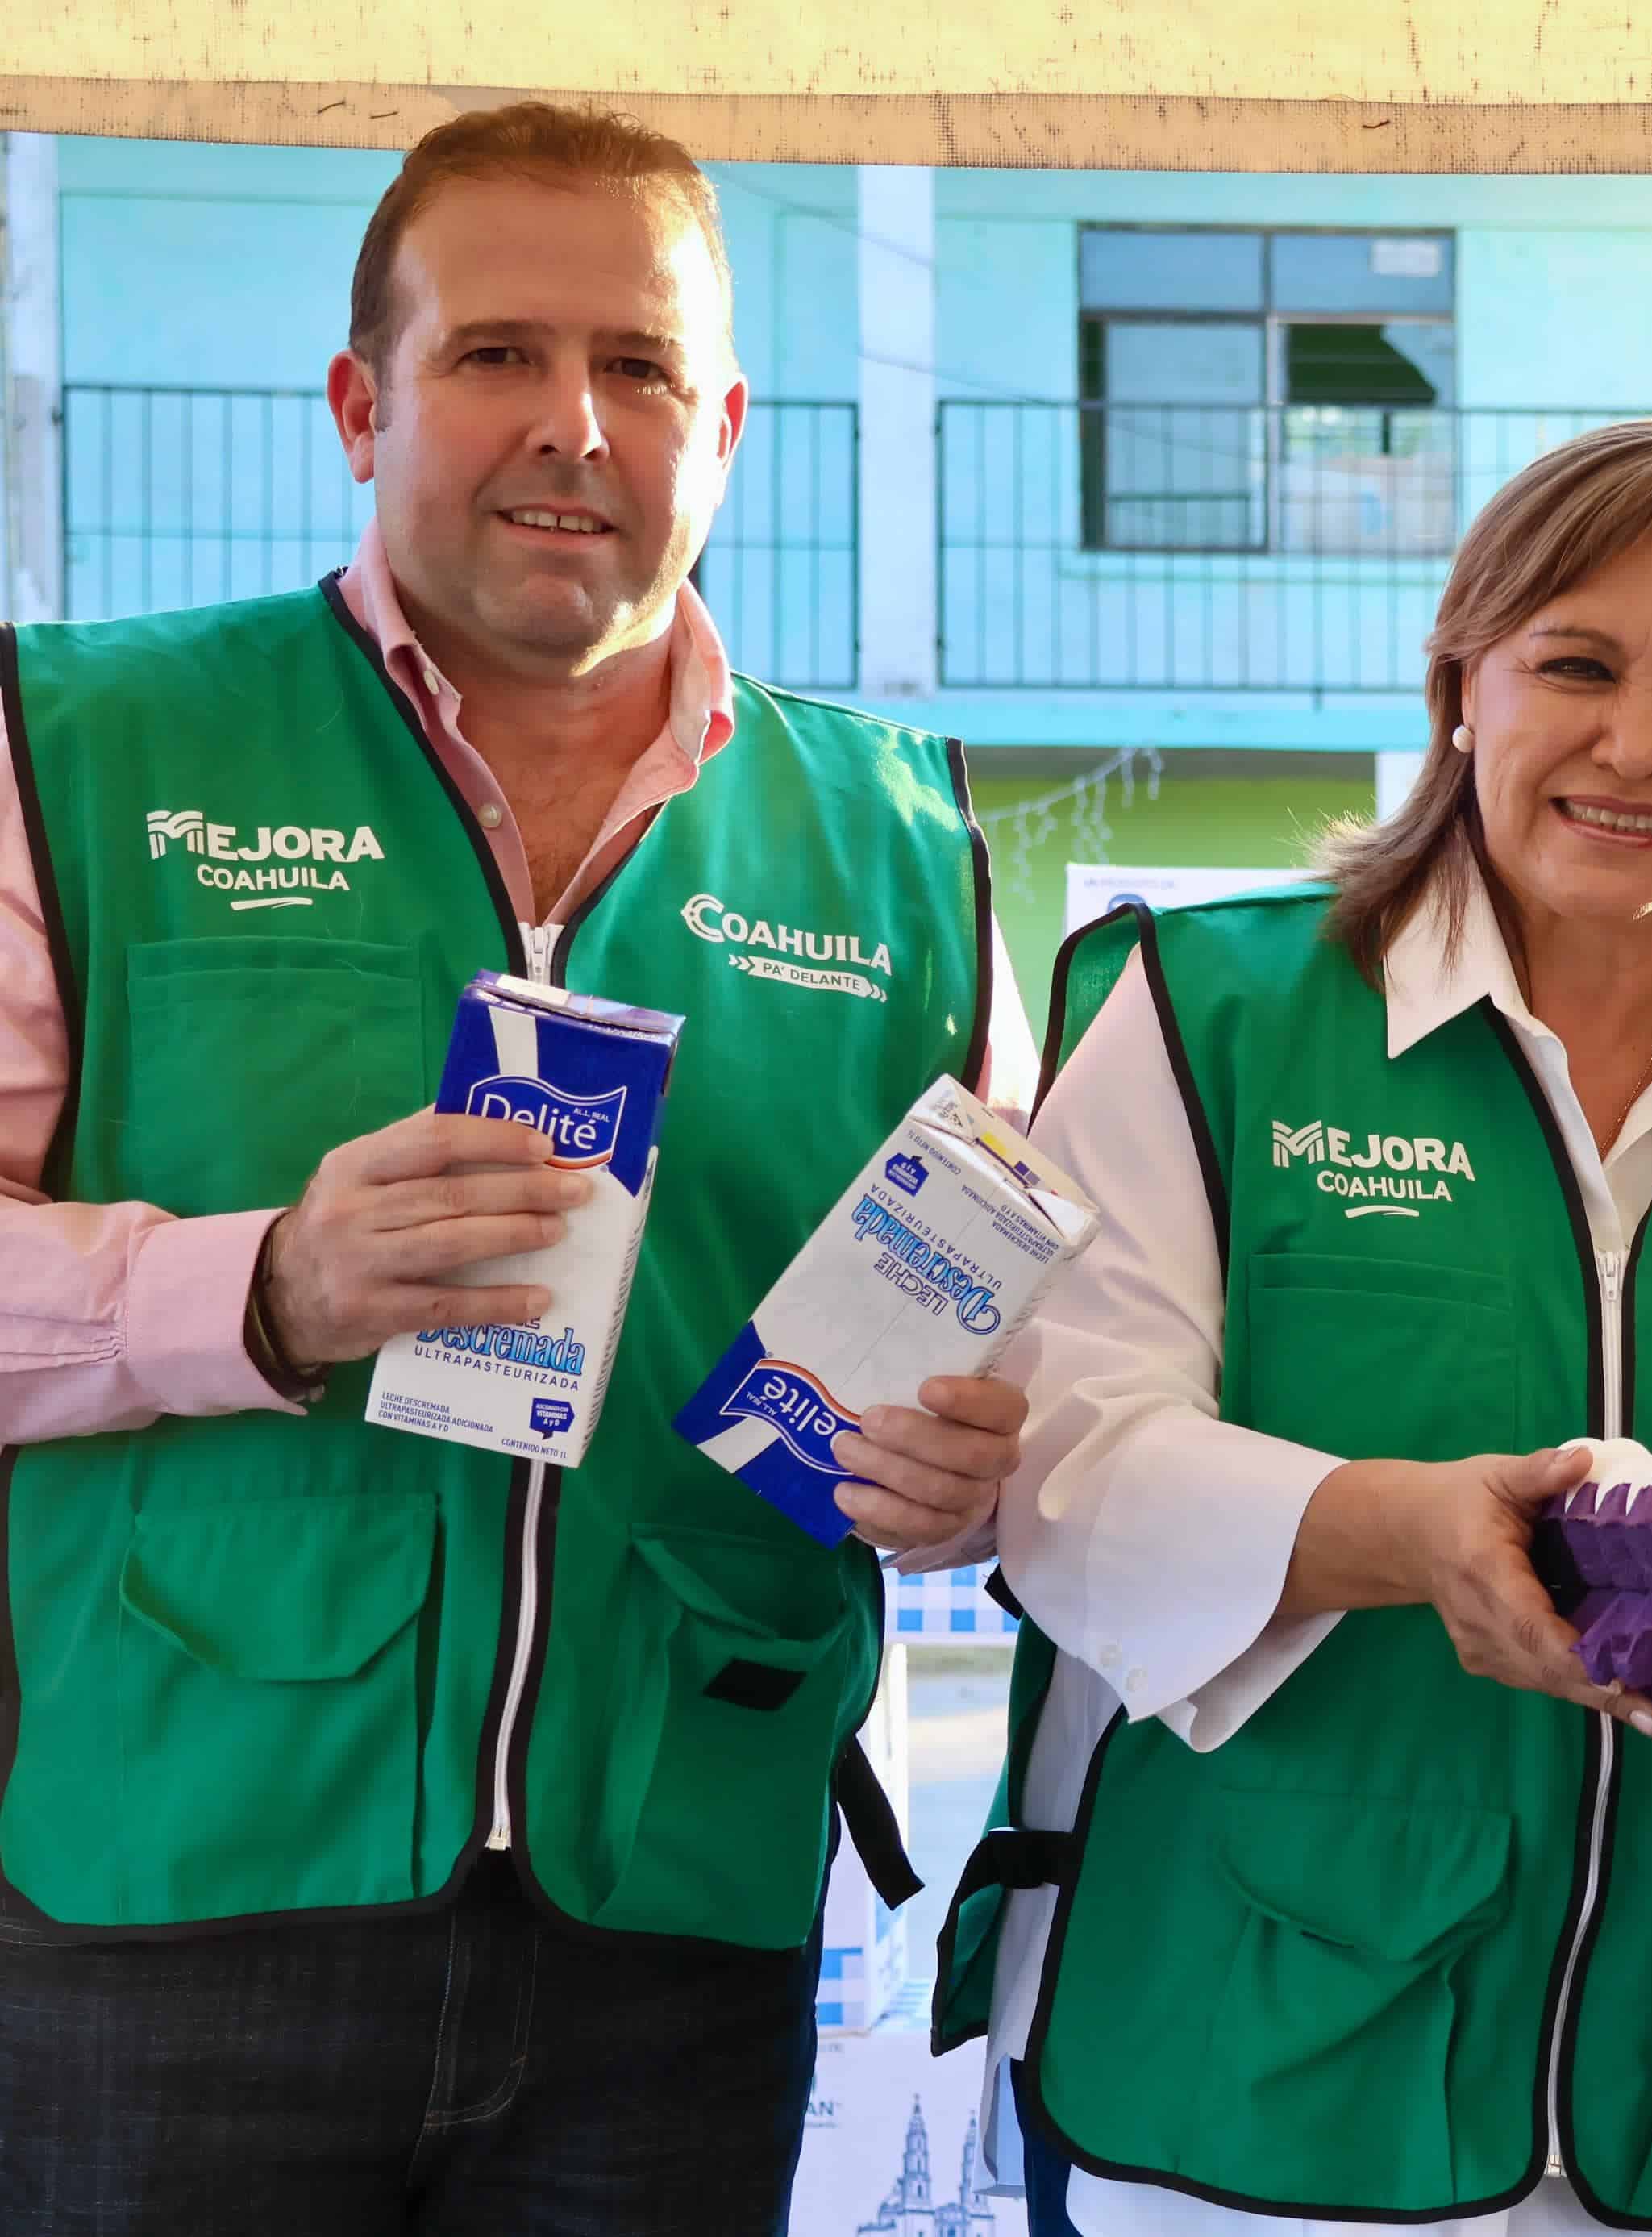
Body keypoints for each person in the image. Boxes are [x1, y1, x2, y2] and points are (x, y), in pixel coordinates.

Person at [0, 103, 1035, 2234]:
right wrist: (261, 1286)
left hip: (682, 1907)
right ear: (362, 400)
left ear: (725, 424)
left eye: (642, 367)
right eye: (496, 354)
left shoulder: (911, 841)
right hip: (169, 1881)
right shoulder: (85, 745)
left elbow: (1030, 1337)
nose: (575, 423)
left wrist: (973, 1474)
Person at [934, 416, 1652, 2237]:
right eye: (1574, 663)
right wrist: (1395, 1530)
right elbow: (1066, 1466)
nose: (1637, 741)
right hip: (1258, 2056)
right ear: (1463, 677)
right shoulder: (1202, 1005)